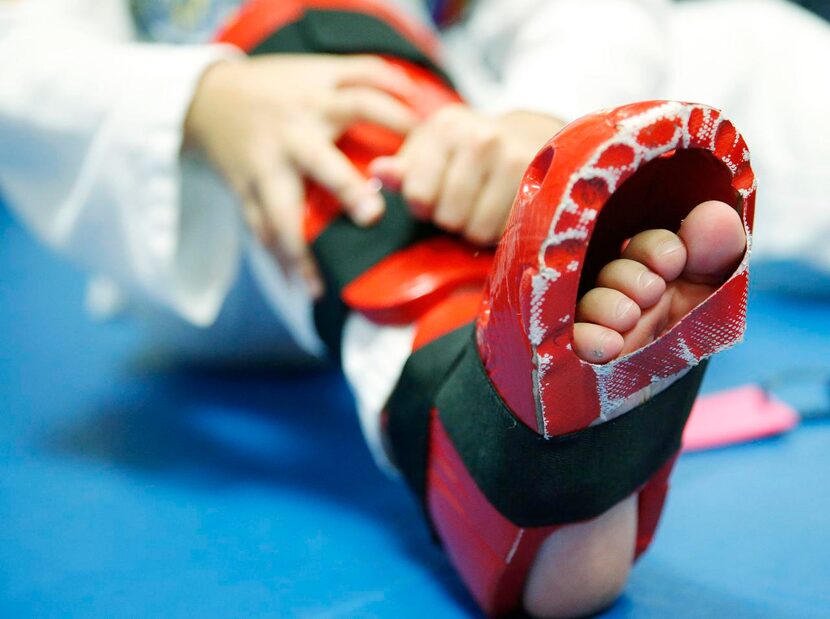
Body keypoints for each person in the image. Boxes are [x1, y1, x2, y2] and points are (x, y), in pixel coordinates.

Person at [0, 0, 825, 616]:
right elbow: (23, 56)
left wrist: (539, 122)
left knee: (756, 50)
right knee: (326, 45)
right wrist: (204, 101)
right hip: (237, 206)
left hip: (484, 142)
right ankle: (482, 432)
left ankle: (551, 307)